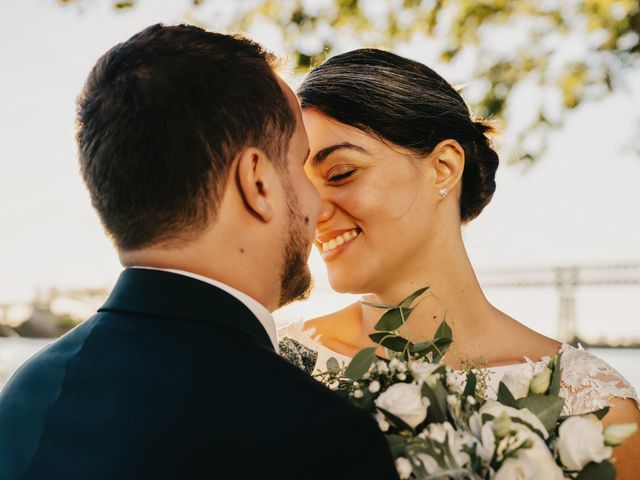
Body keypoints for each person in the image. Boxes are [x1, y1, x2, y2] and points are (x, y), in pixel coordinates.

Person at [0, 27, 398, 480]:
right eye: (300, 163)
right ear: (258, 182)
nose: (319, 203)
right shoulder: (320, 438)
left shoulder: (26, 396)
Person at [290, 48, 640, 478]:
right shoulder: (279, 365)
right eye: (301, 187)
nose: (313, 211)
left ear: (443, 167)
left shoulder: (593, 408)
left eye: (341, 173)